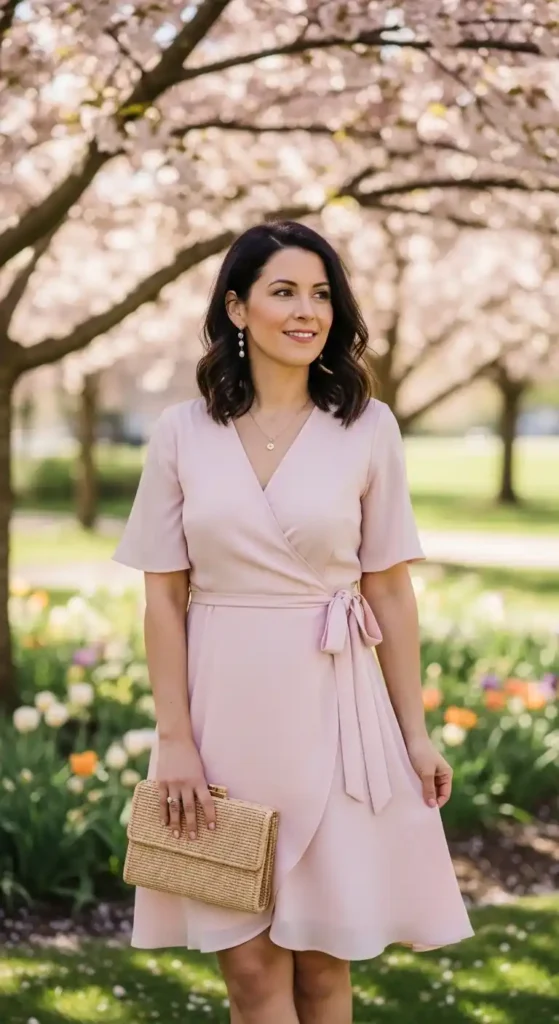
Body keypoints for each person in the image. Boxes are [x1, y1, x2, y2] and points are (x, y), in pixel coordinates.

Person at [112, 220, 473, 1024]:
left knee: (320, 968)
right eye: (284, 292)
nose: (307, 311)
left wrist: (414, 733)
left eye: (320, 294)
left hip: (337, 715)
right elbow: (162, 598)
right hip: (222, 714)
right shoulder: (179, 432)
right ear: (236, 310)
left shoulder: (367, 428)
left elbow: (387, 589)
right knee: (247, 969)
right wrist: (174, 739)